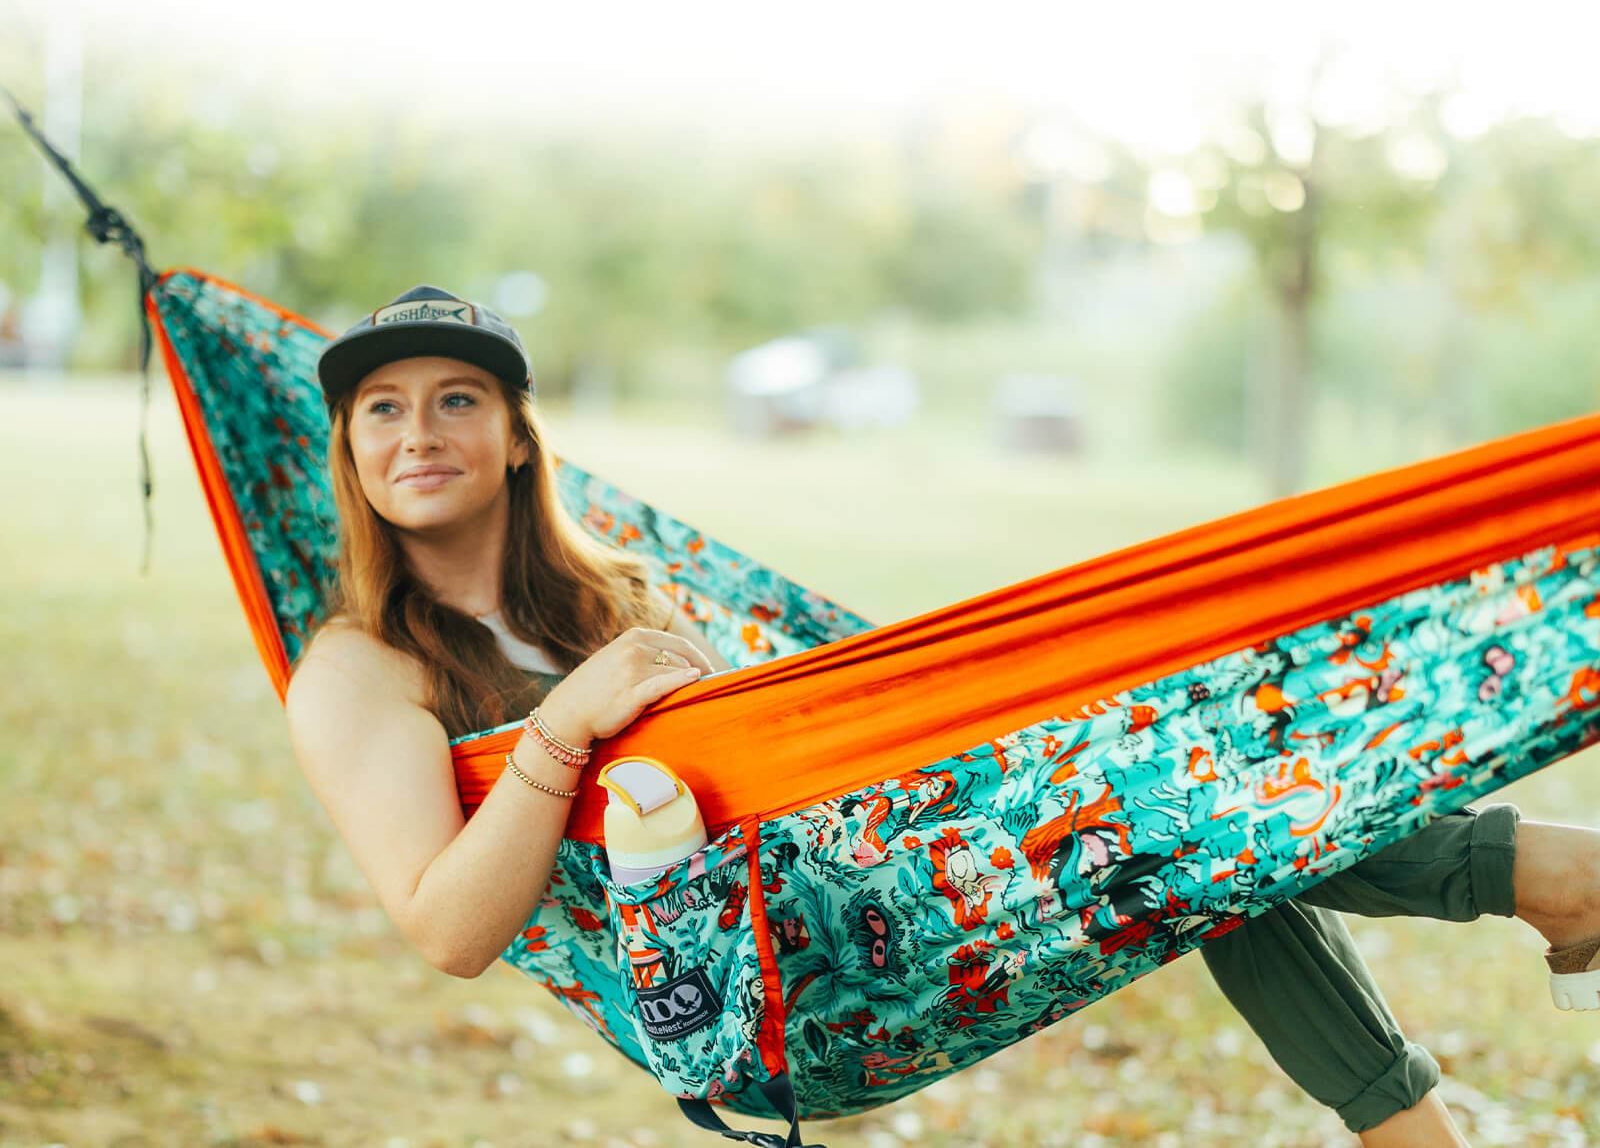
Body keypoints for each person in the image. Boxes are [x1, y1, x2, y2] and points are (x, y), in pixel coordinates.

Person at [285, 284, 1600, 1148]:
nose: (419, 432)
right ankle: (1544, 873)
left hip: (884, 884)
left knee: (1173, 793)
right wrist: (561, 733)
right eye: (382, 409)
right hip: (787, 1003)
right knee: (1164, 815)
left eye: (457, 396)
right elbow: (447, 925)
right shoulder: (360, 668)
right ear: (348, 451)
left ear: (517, 434)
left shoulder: (620, 595)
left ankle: (1488, 993)